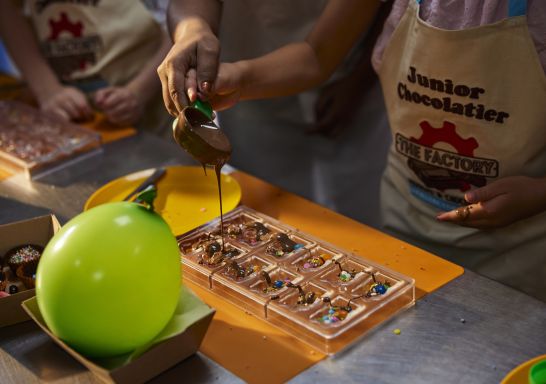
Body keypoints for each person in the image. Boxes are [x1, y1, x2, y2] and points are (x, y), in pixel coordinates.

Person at [161, 0, 546, 301]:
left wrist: (539, 193)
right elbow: (316, 55)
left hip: (514, 252)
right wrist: (240, 76)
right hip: (406, 219)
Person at [158, 0, 392, 228]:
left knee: (355, 224)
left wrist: (358, 81)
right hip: (248, 99)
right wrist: (192, 29)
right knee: (262, 216)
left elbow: (317, 56)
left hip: (348, 88)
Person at [0, 0, 171, 130]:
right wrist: (47, 89)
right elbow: (7, 8)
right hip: (66, 116)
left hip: (152, 103)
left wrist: (139, 91)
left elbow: (184, 24)